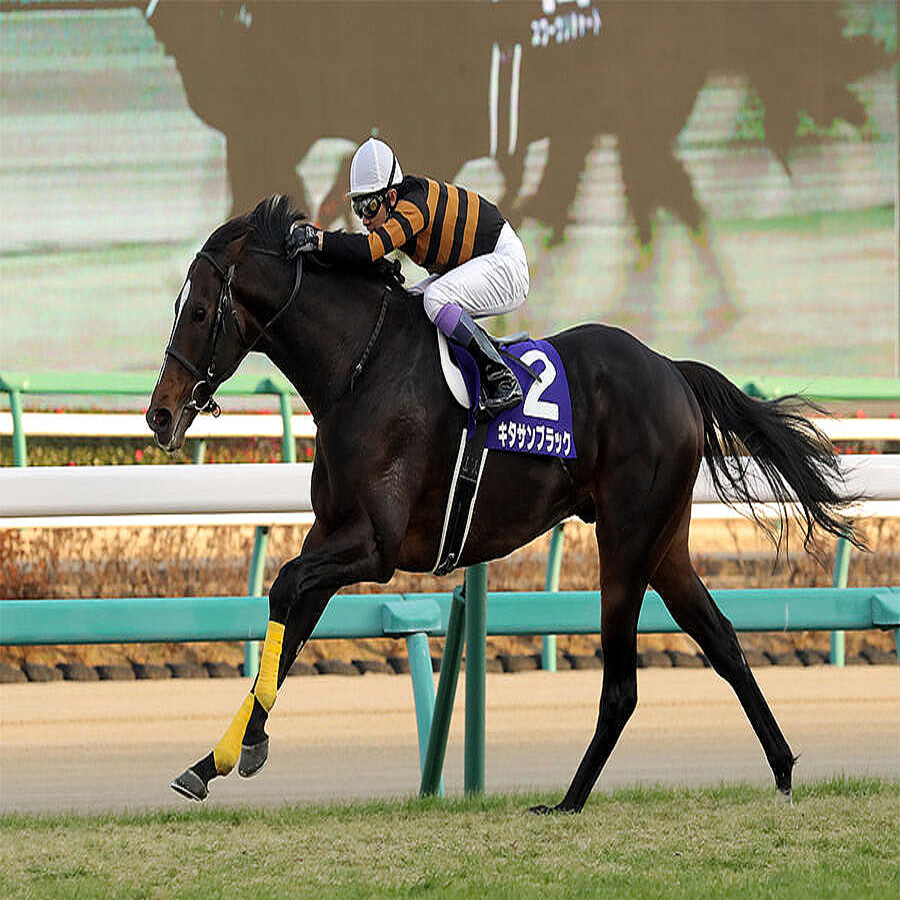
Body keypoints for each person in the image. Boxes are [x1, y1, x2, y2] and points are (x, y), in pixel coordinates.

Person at [285, 137, 529, 421]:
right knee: (410, 302)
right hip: (482, 261)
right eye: (358, 208)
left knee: (435, 299)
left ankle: (500, 377)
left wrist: (318, 239)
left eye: (370, 207)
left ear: (390, 197)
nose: (364, 219)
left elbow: (368, 251)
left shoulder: (413, 207)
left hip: (506, 266)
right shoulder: (402, 202)